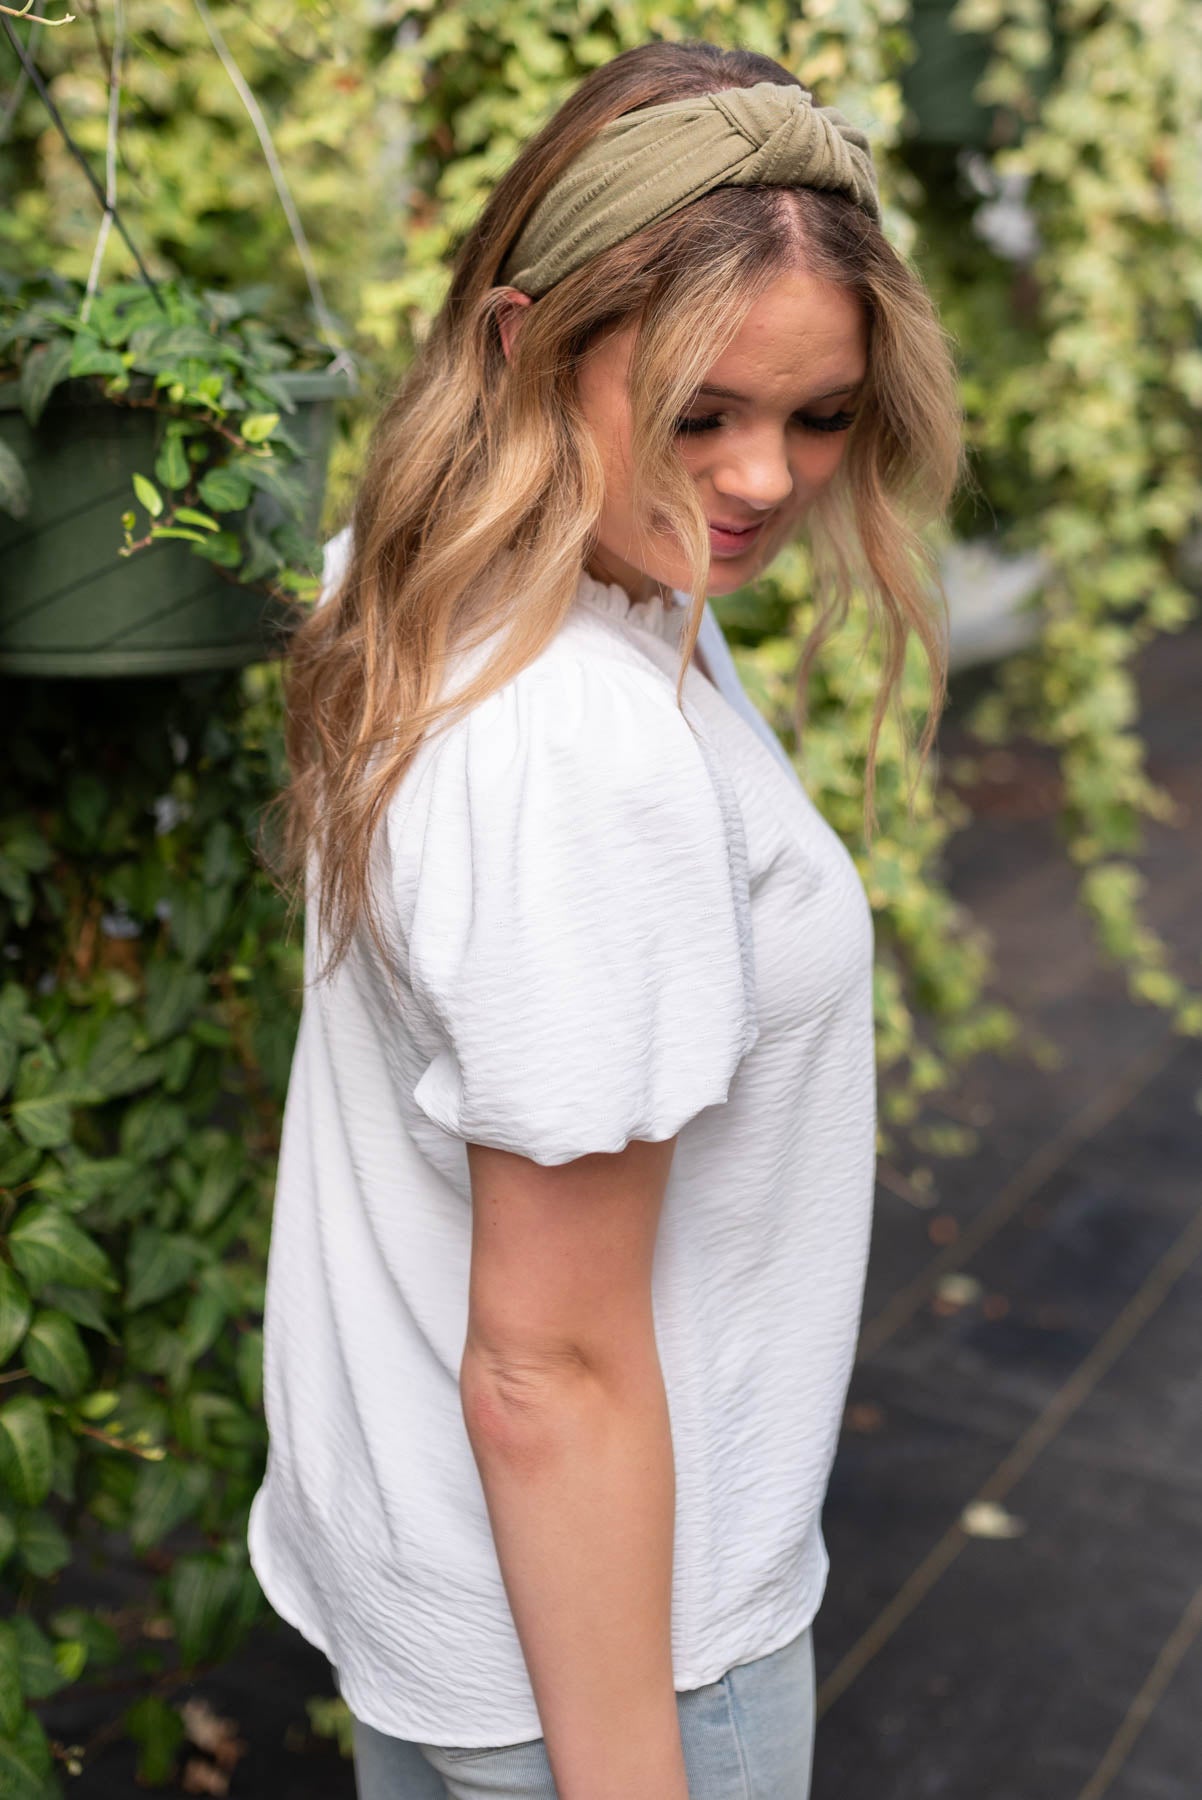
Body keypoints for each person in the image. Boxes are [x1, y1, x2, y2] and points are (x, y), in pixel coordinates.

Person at [248, 37, 964, 1800]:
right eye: (698, 412)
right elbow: (547, 1369)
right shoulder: (573, 746)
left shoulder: (440, 574)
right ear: (523, 341)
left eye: (816, 416)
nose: (762, 483)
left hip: (448, 1593)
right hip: (622, 1650)